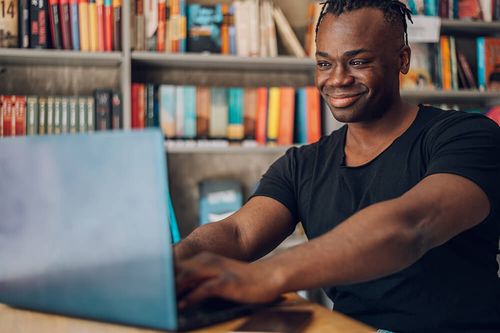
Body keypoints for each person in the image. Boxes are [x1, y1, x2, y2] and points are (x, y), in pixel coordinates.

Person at [174, 1, 500, 332]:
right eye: (324, 63)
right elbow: (238, 233)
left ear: (403, 59)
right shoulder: (302, 164)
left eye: (358, 62)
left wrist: (266, 276)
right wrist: (173, 264)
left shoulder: (466, 137)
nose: (338, 79)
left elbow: (412, 227)